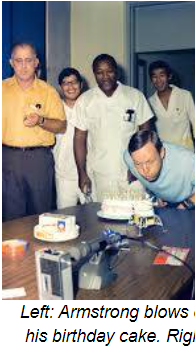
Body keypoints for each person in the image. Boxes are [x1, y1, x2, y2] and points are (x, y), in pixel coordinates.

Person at [74, 54, 154, 202]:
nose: (105, 76)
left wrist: (138, 165)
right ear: (94, 74)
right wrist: (82, 173)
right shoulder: (85, 100)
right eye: (99, 72)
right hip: (101, 173)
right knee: (105, 218)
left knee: (136, 217)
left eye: (109, 71)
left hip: (132, 171)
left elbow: (146, 133)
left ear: (117, 72)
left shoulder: (134, 96)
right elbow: (79, 138)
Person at [2, 42, 67, 221]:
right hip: (8, 159)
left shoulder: (48, 92)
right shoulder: (2, 89)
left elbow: (61, 126)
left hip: (39, 160)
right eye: (19, 60)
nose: (23, 66)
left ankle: (40, 249)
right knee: (10, 216)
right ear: (11, 62)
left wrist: (41, 120)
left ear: (36, 62)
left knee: (40, 214)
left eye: (28, 60)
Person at [123, 130, 195, 209]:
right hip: (169, 202)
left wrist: (186, 204)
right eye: (138, 164)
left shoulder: (187, 161)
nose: (145, 171)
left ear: (162, 153)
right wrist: (156, 195)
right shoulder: (129, 158)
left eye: (150, 162)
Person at [147, 60, 195, 160]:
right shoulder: (149, 102)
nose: (158, 80)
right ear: (151, 79)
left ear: (169, 76)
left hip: (186, 153)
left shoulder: (184, 95)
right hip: (164, 156)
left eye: (162, 75)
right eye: (154, 76)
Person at [55, 68, 86, 209]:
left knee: (94, 215)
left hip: (89, 172)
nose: (70, 87)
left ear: (81, 84)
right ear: (61, 87)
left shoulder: (89, 106)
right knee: (64, 217)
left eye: (74, 82)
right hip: (64, 174)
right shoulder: (55, 109)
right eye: (66, 83)